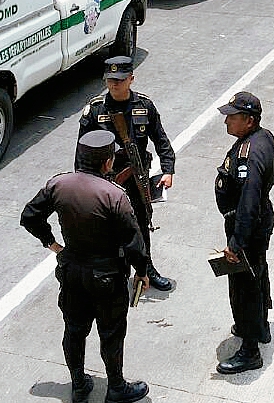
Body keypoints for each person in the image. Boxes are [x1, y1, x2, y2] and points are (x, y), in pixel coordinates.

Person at [20, 130, 151, 403]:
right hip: (107, 276)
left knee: (74, 329)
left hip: (71, 271)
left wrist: (53, 245)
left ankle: (78, 385)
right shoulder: (114, 195)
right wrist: (142, 271)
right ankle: (116, 387)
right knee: (111, 333)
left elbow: (30, 216)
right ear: (107, 163)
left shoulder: (57, 185)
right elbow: (133, 243)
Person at [81, 57, 176, 292]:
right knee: (108, 226)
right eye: (110, 80)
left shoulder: (144, 106)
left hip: (137, 177)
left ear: (131, 79)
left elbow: (161, 140)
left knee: (141, 223)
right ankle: (115, 272)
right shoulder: (95, 109)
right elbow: (82, 150)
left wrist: (168, 169)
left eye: (120, 80)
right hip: (106, 179)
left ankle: (146, 269)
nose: (114, 84)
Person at [215, 91, 274, 374]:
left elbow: (248, 202)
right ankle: (261, 326)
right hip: (258, 221)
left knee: (244, 288)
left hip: (246, 228)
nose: (226, 122)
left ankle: (249, 349)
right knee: (258, 275)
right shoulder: (264, 137)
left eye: (232, 117)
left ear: (248, 120)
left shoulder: (249, 156)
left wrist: (237, 242)